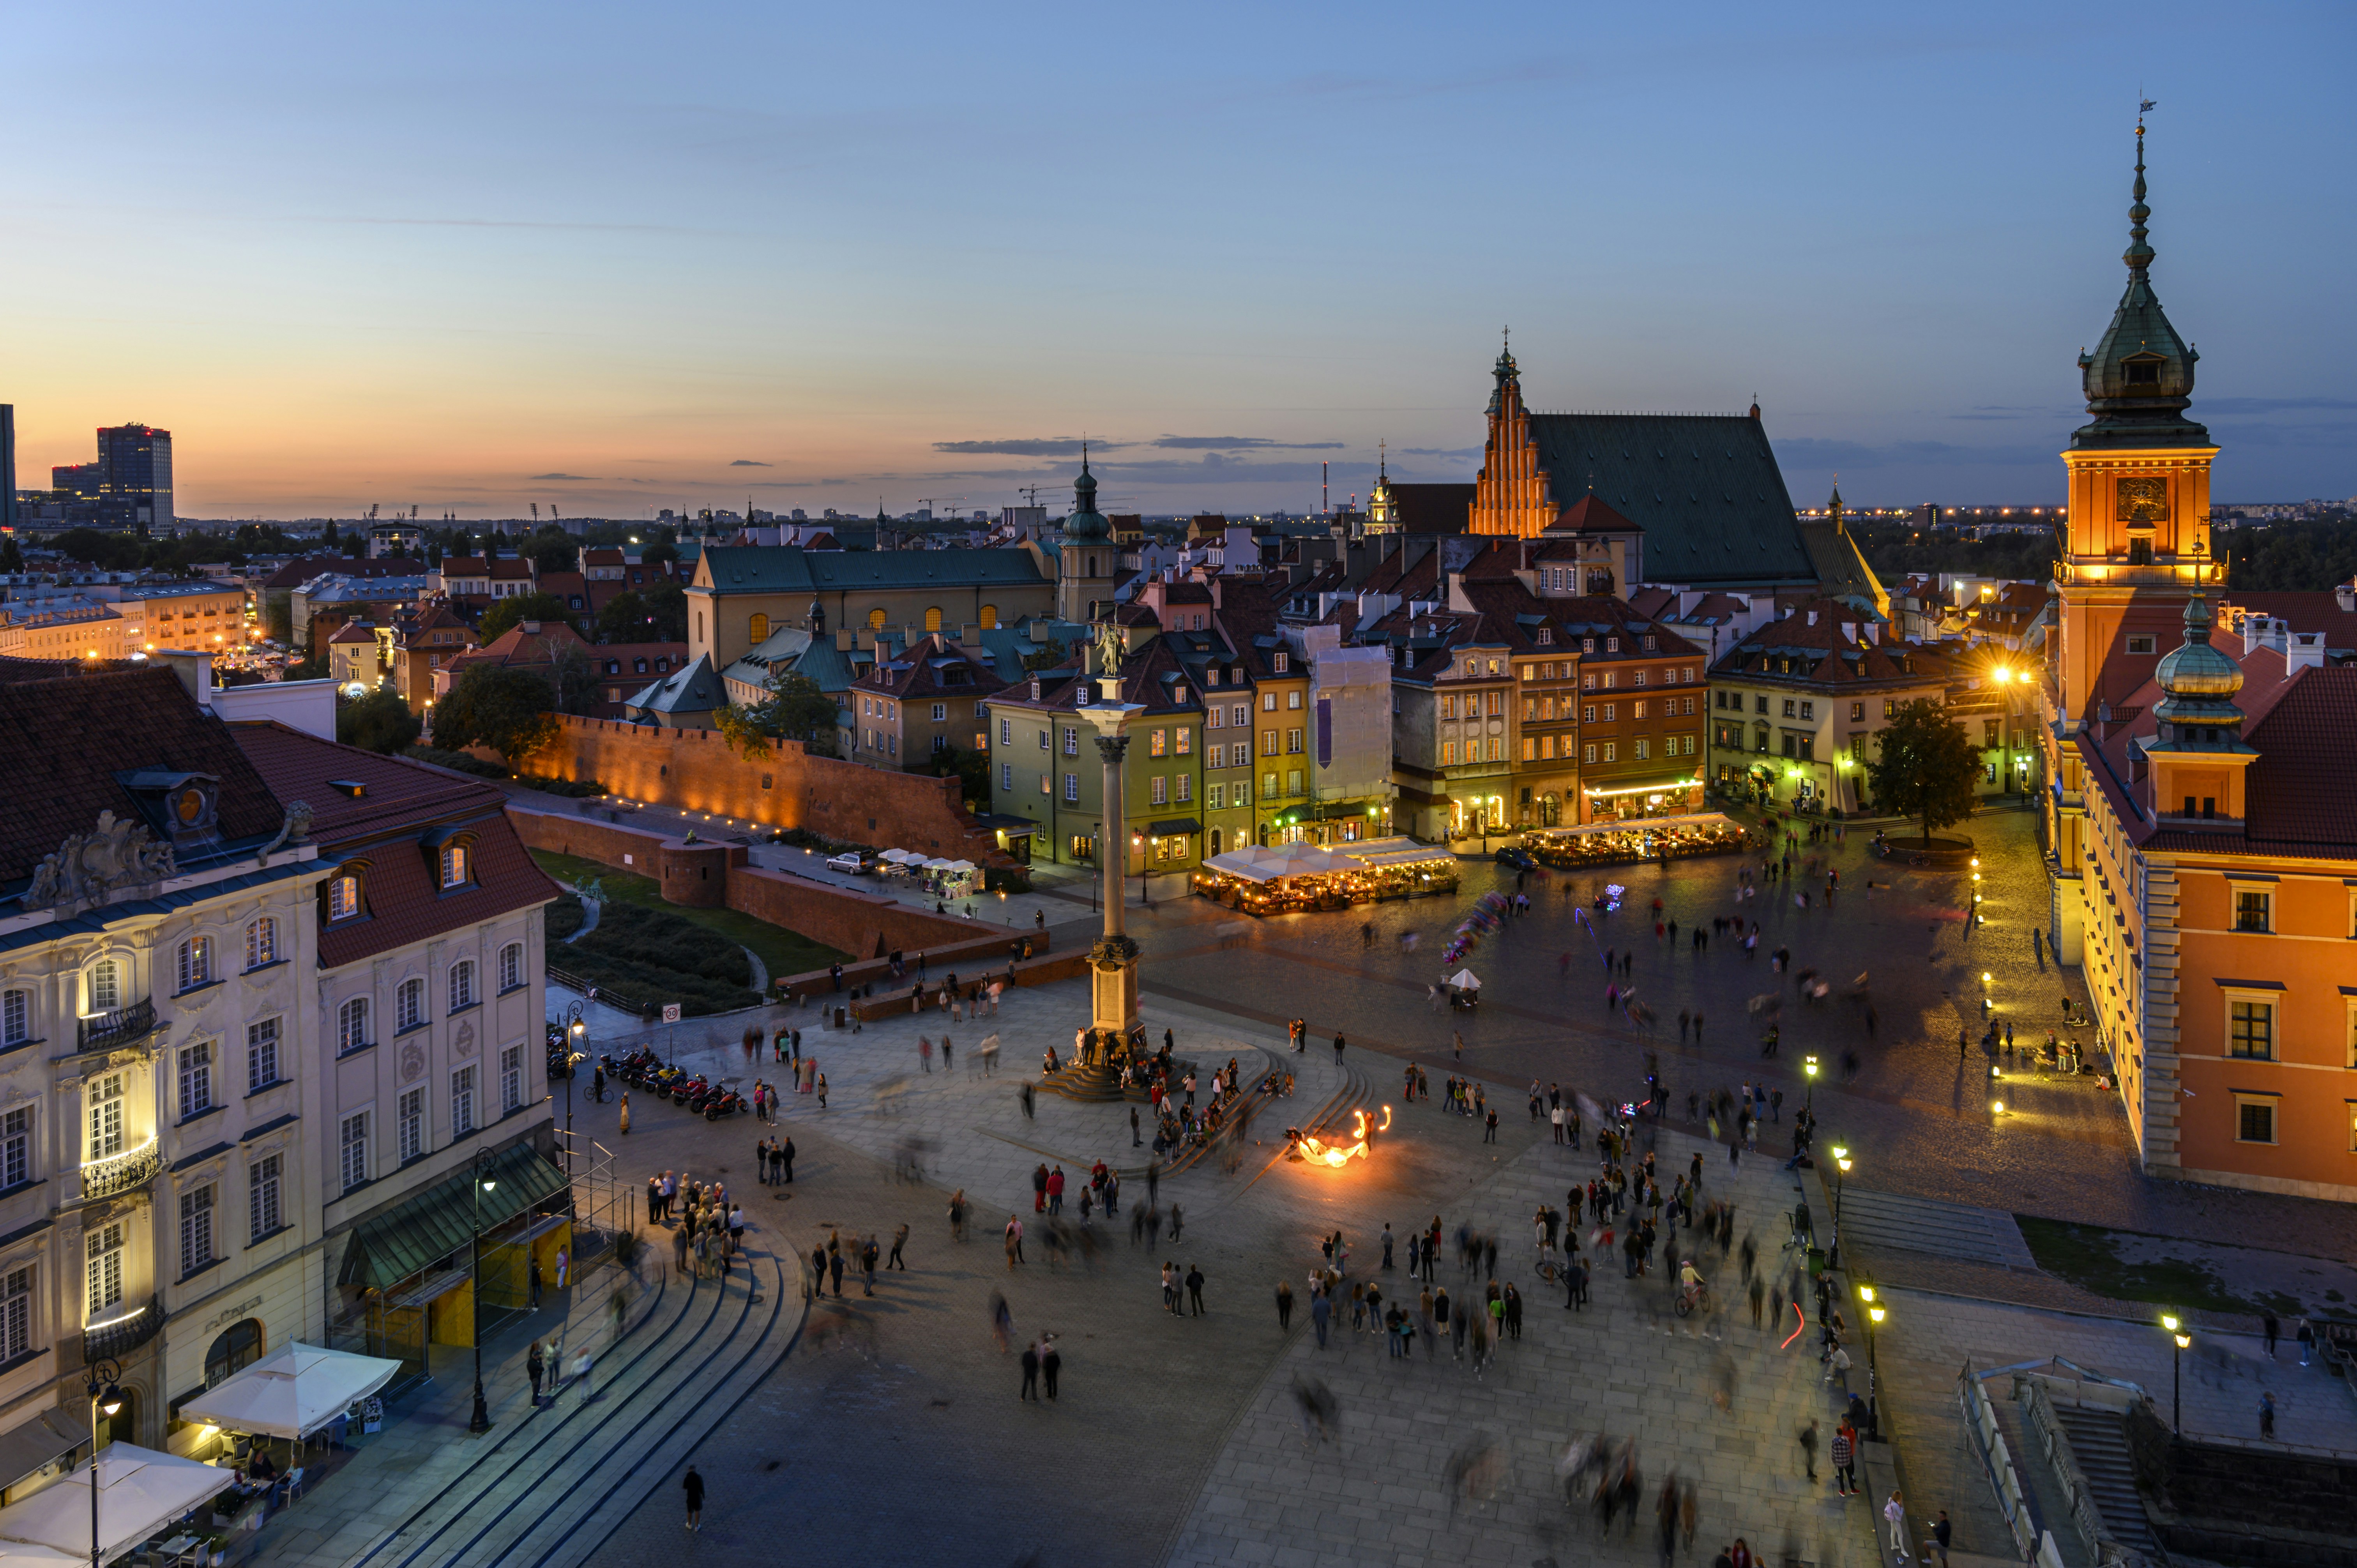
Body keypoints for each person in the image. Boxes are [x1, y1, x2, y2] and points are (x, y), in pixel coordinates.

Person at [1883, 1491, 1908, 1559]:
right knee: (1900, 1535)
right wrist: (1901, 1508)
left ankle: (1893, 1545)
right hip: (1896, 1521)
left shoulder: (1890, 1500)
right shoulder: (1896, 1506)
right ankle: (1903, 1551)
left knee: (1893, 1532)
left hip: (1892, 1519)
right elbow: (1900, 1514)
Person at [682, 1466, 704, 1532]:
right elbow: (701, 1487)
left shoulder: (687, 1478)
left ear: (689, 1470)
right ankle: (697, 1527)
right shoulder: (698, 1477)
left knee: (690, 1511)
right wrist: (703, 1495)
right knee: (697, 1510)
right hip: (697, 1497)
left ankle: (689, 1524)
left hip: (690, 1497)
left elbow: (685, 1487)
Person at [526, 1339, 545, 1406]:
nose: (539, 1356)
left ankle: (536, 1397)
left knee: (536, 1389)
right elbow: (541, 1368)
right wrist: (541, 1368)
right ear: (535, 1356)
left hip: (535, 1376)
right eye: (538, 1356)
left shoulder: (532, 1361)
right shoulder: (534, 1364)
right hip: (535, 1378)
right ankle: (534, 1403)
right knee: (536, 1389)